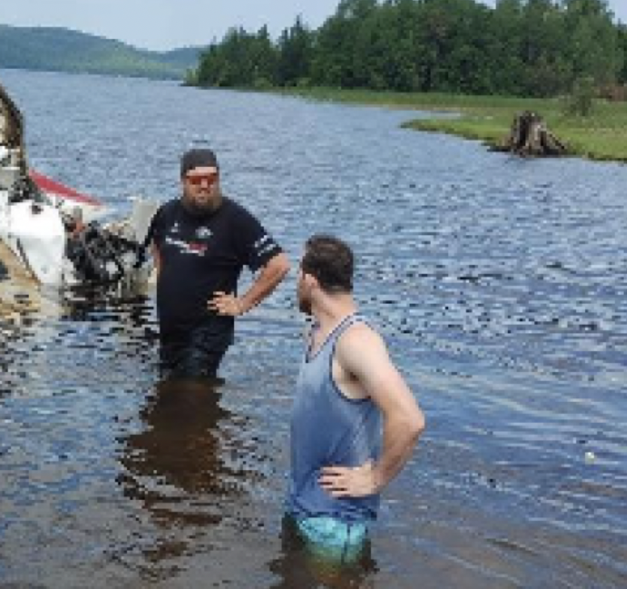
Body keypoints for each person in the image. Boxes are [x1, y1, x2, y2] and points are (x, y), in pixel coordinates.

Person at [286, 234, 426, 563]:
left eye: (297, 275)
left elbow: (409, 419)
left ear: (309, 279)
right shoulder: (320, 330)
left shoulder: (356, 340)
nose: (295, 283)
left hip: (335, 522)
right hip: (304, 504)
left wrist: (376, 478)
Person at [145, 148, 290, 378]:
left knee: (190, 397)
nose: (205, 185)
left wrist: (242, 303)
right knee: (166, 397)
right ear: (183, 181)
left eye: (211, 179)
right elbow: (156, 244)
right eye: (196, 180)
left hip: (207, 334)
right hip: (170, 331)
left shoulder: (235, 220)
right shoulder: (167, 213)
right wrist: (166, 283)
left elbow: (279, 265)